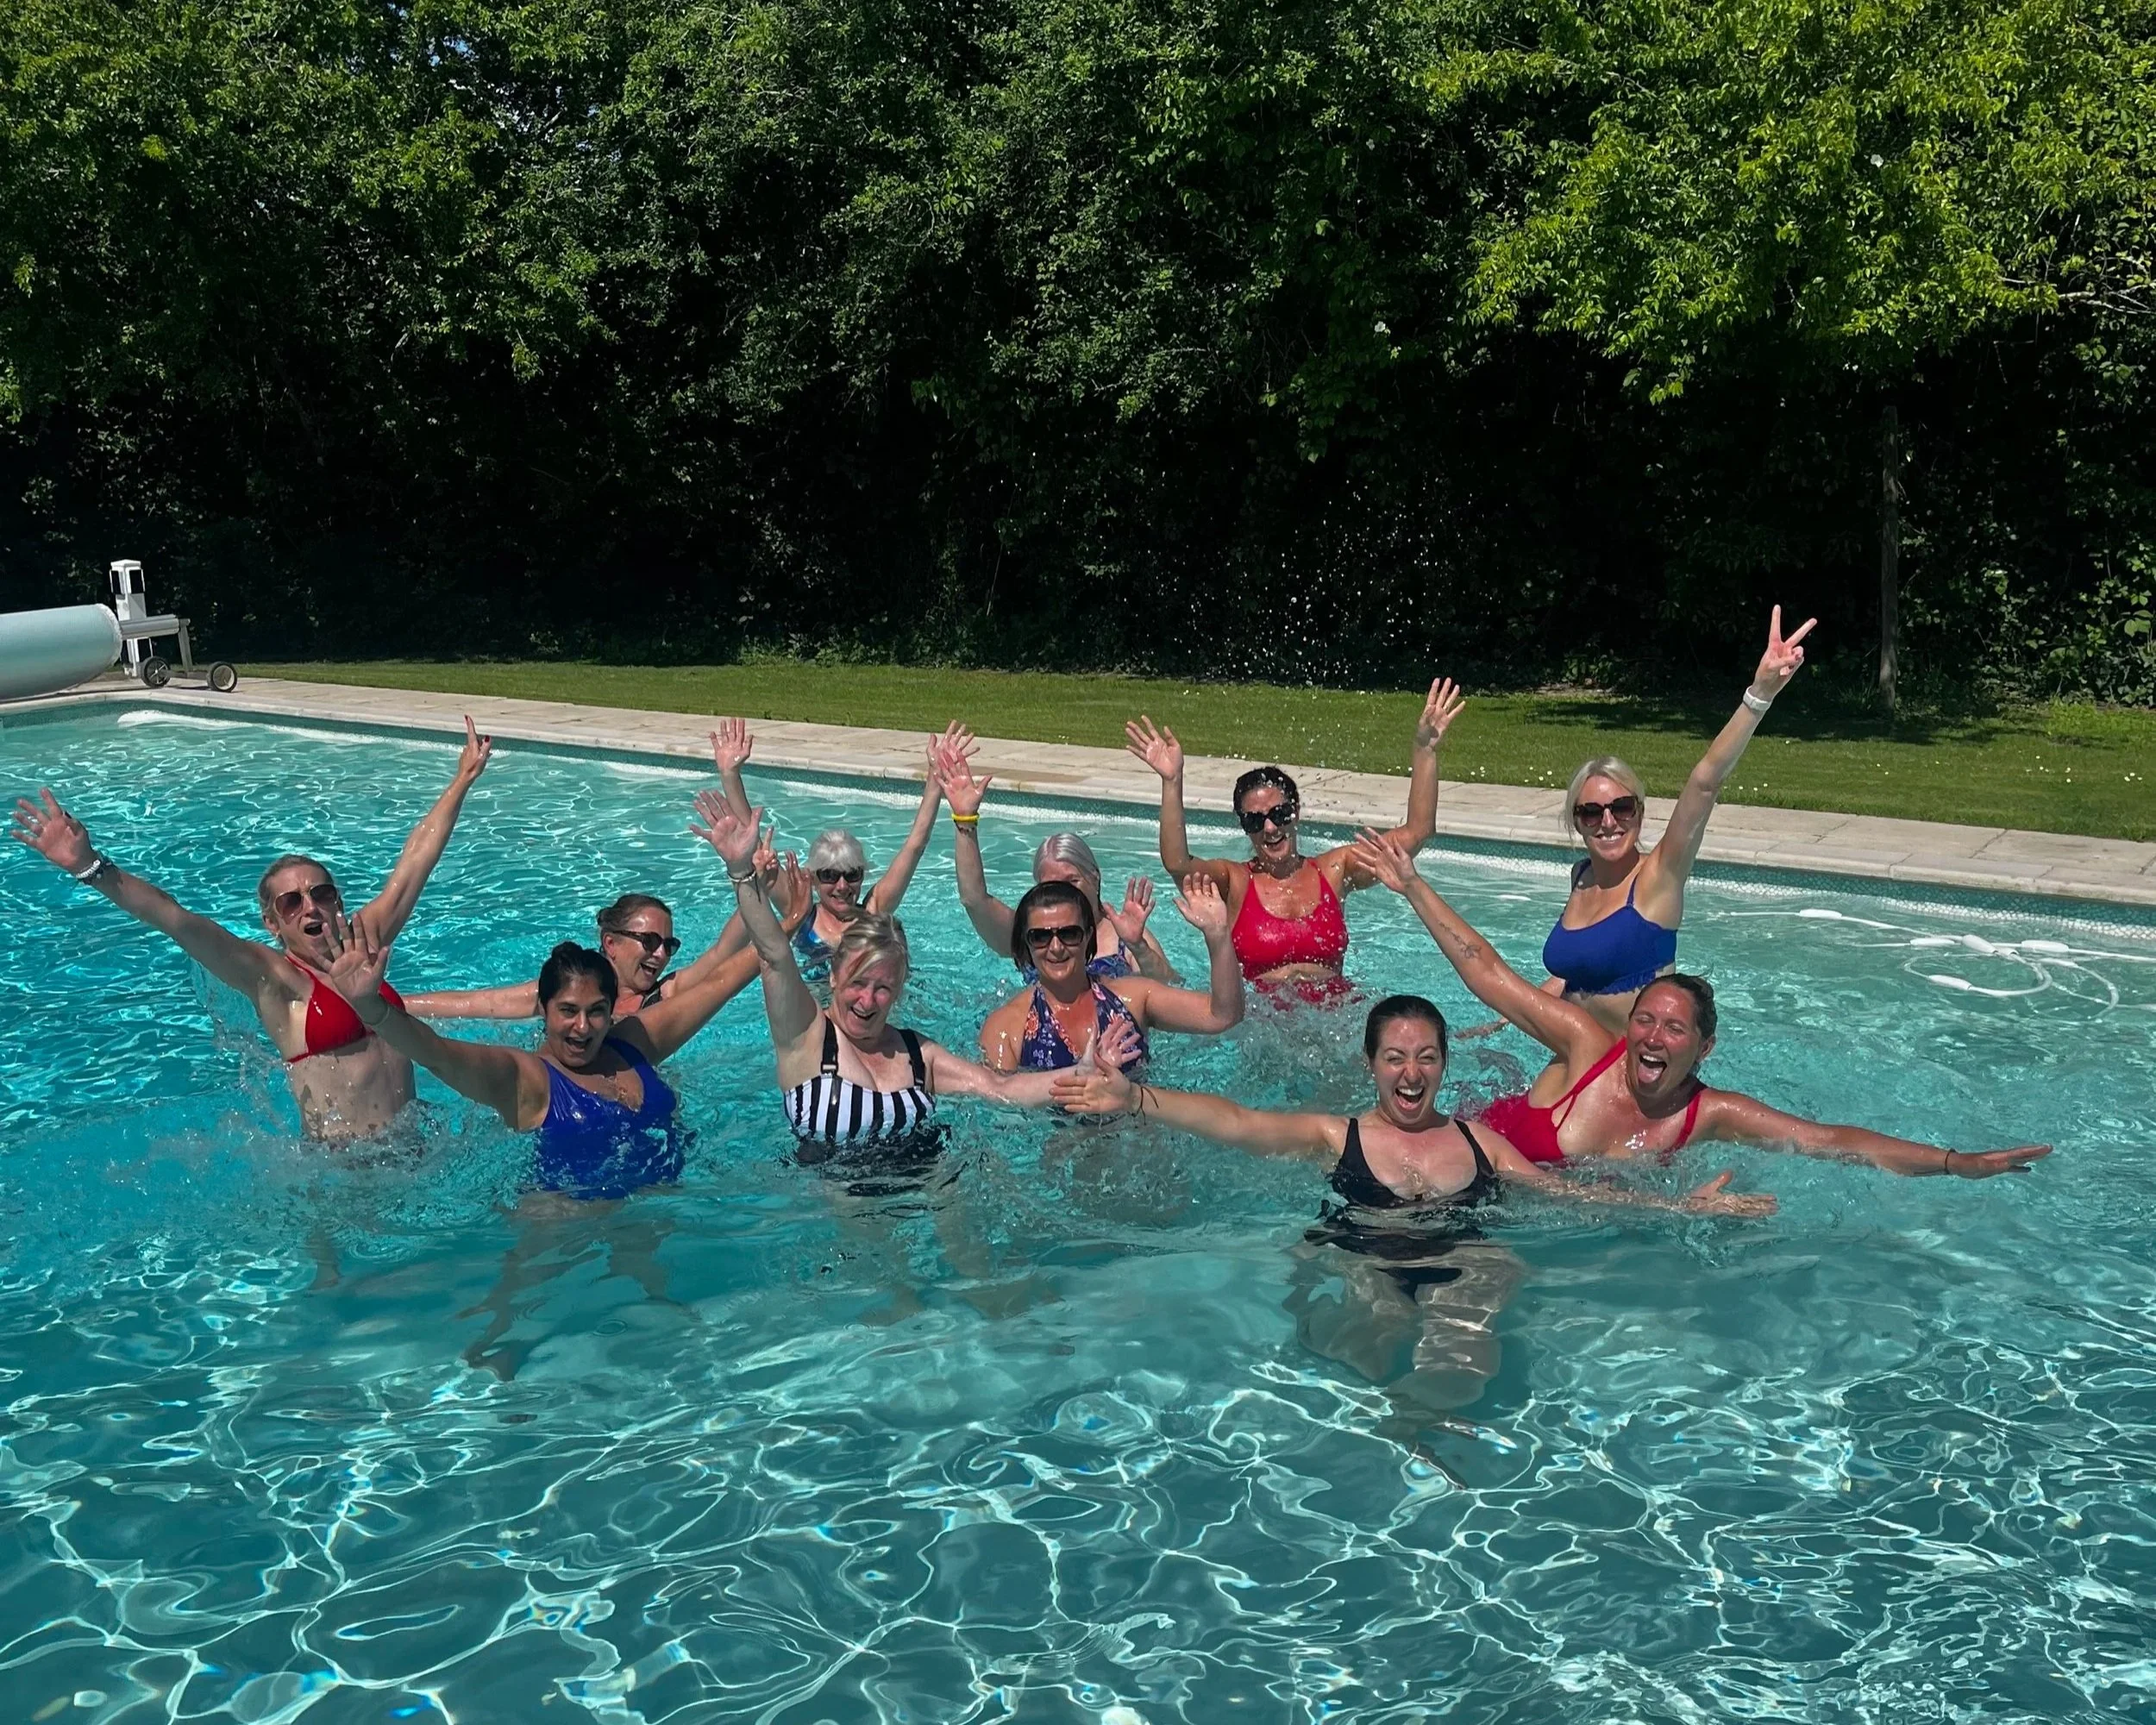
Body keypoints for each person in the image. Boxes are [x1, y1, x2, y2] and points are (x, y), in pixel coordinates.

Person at [1050, 994, 1771, 1408]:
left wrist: (1683, 1212)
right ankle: (1392, 1405)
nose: (1411, 1070)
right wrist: (1135, 1097)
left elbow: (1568, 1194)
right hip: (1360, 1251)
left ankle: (1426, 1421)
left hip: (1458, 1259)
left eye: (1426, 1056)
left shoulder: (1481, 1143)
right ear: (1372, 1065)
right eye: (1395, 1056)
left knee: (1488, 1284)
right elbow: (1237, 1123)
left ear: (1443, 1066)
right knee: (1378, 1322)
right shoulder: (1337, 1135)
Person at [1350, 829, 2054, 1178]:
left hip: (1549, 1220)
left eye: (1672, 1028)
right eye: (1645, 1018)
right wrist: (1414, 887)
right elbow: (1488, 974)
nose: (1651, 1036)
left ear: (1701, 1048)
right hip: (1466, 1176)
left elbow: (1826, 1140)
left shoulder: (1708, 1113)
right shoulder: (1591, 1047)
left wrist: (1952, 1162)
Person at [11, 716, 496, 1140]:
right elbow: (178, 920)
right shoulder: (277, 981)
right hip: (348, 1170)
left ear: (337, 903)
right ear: (273, 923)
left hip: (416, 1146)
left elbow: (415, 862)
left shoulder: (364, 939)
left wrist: (462, 780)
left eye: (321, 894)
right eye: (291, 902)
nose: (310, 907)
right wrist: (90, 867)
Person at [689, 791, 1137, 1181]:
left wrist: (1085, 1070)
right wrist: (742, 873)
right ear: (832, 976)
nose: (868, 1001)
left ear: (900, 991)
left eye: (883, 988)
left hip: (927, 1191)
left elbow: (1002, 1089)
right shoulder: (805, 1038)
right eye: (858, 983)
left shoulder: (918, 1054)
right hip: (834, 1210)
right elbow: (772, 953)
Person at [315, 893, 775, 1201]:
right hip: (562, 1232)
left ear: (613, 1011)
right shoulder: (528, 1079)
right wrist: (371, 1008)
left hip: (659, 1215)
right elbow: (435, 1050)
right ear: (544, 1010)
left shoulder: (635, 1042)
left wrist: (788, 924)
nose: (582, 1027)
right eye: (567, 1011)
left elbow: (722, 981)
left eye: (597, 1011)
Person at [1542, 606, 1814, 1033]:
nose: (1608, 821)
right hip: (1572, 1059)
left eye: (1622, 807)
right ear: (1577, 822)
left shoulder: (1659, 877)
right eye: (1591, 812)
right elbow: (1572, 975)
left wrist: (1758, 696)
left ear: (1640, 813)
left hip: (1640, 1075)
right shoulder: (1582, 877)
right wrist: (1506, 1020)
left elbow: (1705, 782)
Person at [1123, 679, 1463, 991]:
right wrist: (1171, 781)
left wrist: (1425, 751)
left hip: (1337, 1019)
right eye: (1255, 822)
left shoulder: (1335, 869)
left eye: (1279, 814)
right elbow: (1178, 863)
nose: (1270, 828)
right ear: (1243, 826)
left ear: (1296, 812)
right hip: (1264, 1029)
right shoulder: (1236, 881)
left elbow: (1417, 833)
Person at [934, 741, 1175, 980]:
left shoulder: (1125, 934)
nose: (1065, 893)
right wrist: (965, 820)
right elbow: (974, 900)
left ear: (1095, 877)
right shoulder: (1033, 933)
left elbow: (1170, 991)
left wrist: (1140, 948)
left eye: (1072, 881)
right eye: (1052, 886)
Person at [978, 875, 1244, 1074]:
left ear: (1089, 937)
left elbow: (1222, 1016)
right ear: (1026, 943)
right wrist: (1085, 1078)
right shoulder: (1005, 1028)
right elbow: (1005, 1113)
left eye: (1069, 934)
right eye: (1040, 937)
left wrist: (1218, 936)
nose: (1056, 947)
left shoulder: (1131, 998)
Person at [790, 721, 972, 982]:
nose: (842, 886)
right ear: (814, 879)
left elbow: (915, 845)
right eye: (830, 875)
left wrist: (935, 775)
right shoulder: (800, 912)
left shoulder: (873, 911)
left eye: (852, 875)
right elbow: (750, 863)